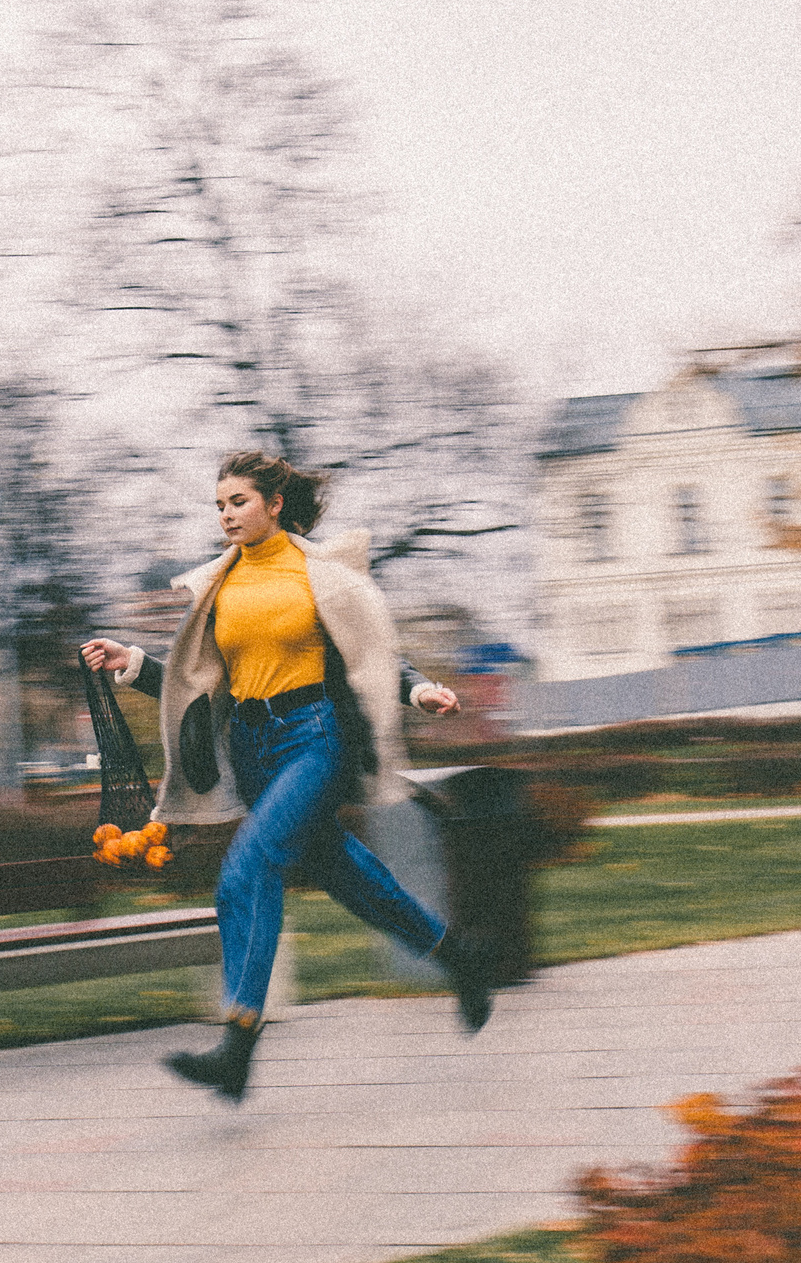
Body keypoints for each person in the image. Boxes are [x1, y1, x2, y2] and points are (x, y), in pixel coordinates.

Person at [80, 450, 506, 1104]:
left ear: (275, 504)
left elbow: (374, 655)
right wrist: (133, 662)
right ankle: (461, 960)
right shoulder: (219, 587)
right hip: (253, 749)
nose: (226, 515)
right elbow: (199, 690)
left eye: (239, 502)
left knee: (249, 867)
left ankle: (238, 1044)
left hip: (317, 739)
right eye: (220, 505)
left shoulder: (322, 576)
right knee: (350, 878)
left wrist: (420, 692)